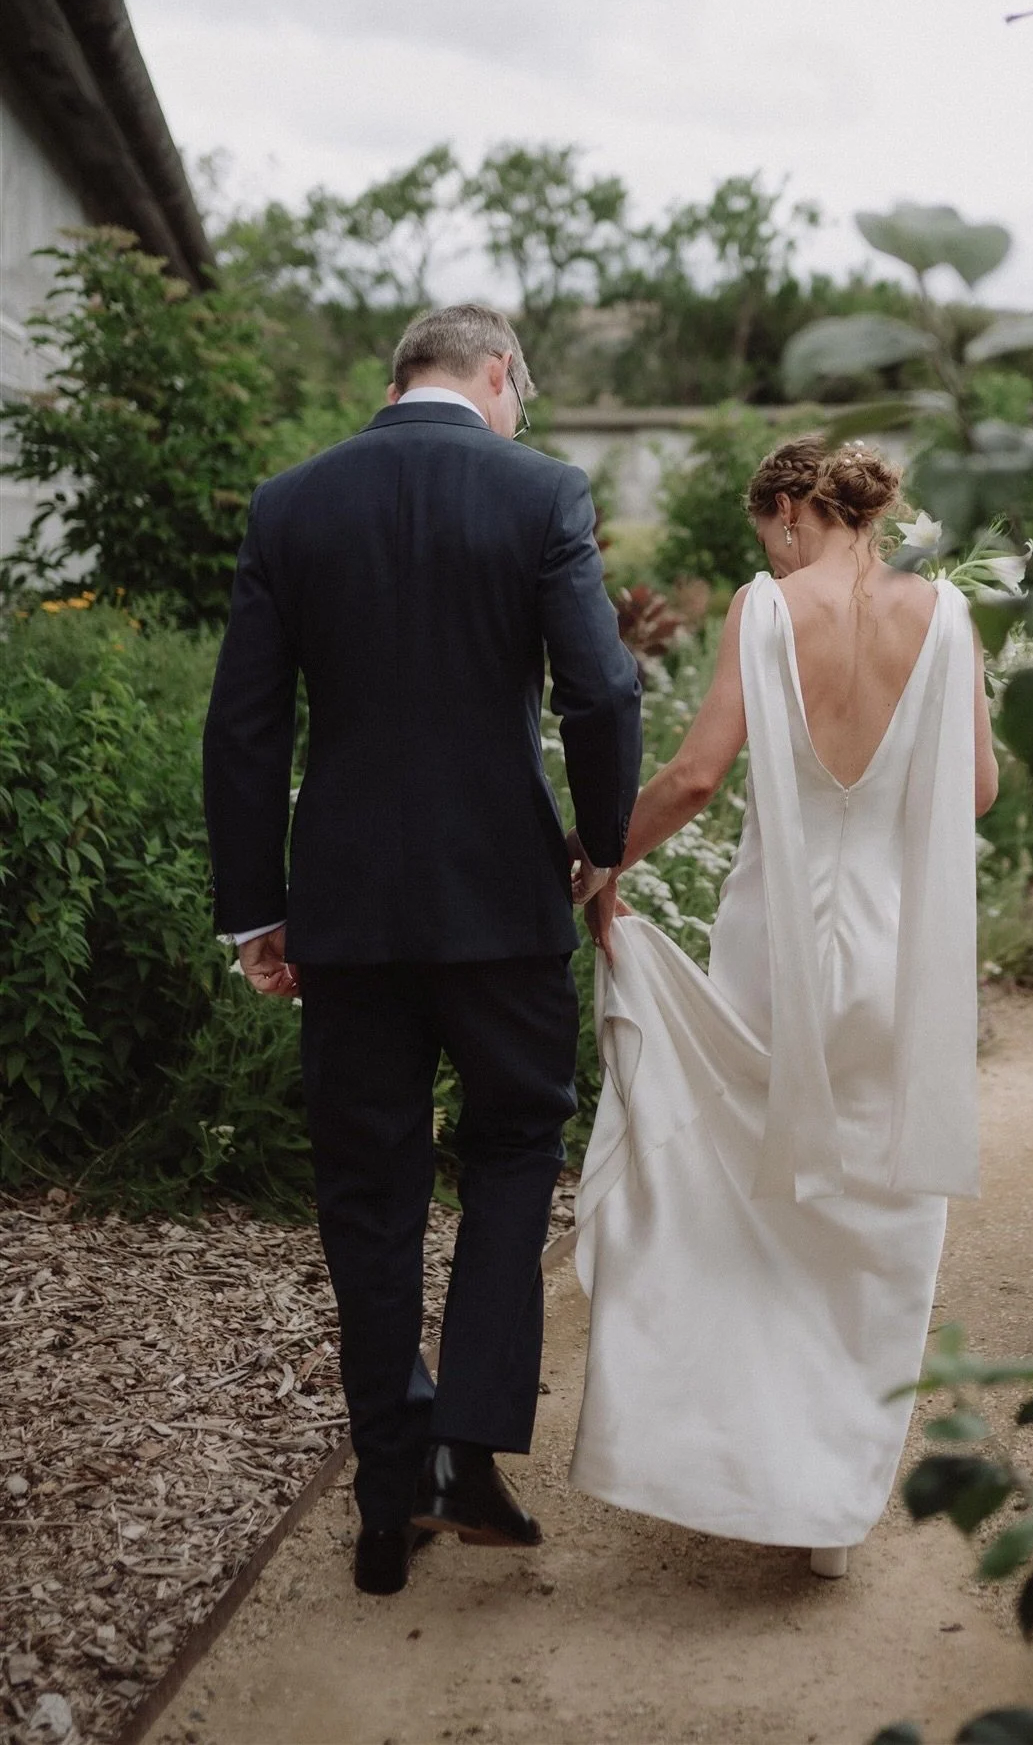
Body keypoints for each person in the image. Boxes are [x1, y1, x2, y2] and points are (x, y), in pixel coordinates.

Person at [202, 304, 642, 1595]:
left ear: (398, 378)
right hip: (504, 901)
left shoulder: (293, 504)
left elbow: (243, 727)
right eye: (522, 394)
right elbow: (602, 688)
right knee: (513, 1149)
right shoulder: (540, 491)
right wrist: (602, 840)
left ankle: (387, 1496)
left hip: (345, 909)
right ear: (496, 375)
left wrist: (255, 909)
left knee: (367, 1186)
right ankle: (468, 1455)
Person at [568, 435, 995, 1579]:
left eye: (774, 531)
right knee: (876, 1214)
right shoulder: (943, 614)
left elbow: (697, 775)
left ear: (797, 508)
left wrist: (602, 858)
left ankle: (751, 1462)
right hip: (898, 944)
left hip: (778, 943)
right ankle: (831, 1508)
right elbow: (979, 790)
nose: (775, 549)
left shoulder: (764, 609)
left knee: (763, 1198)